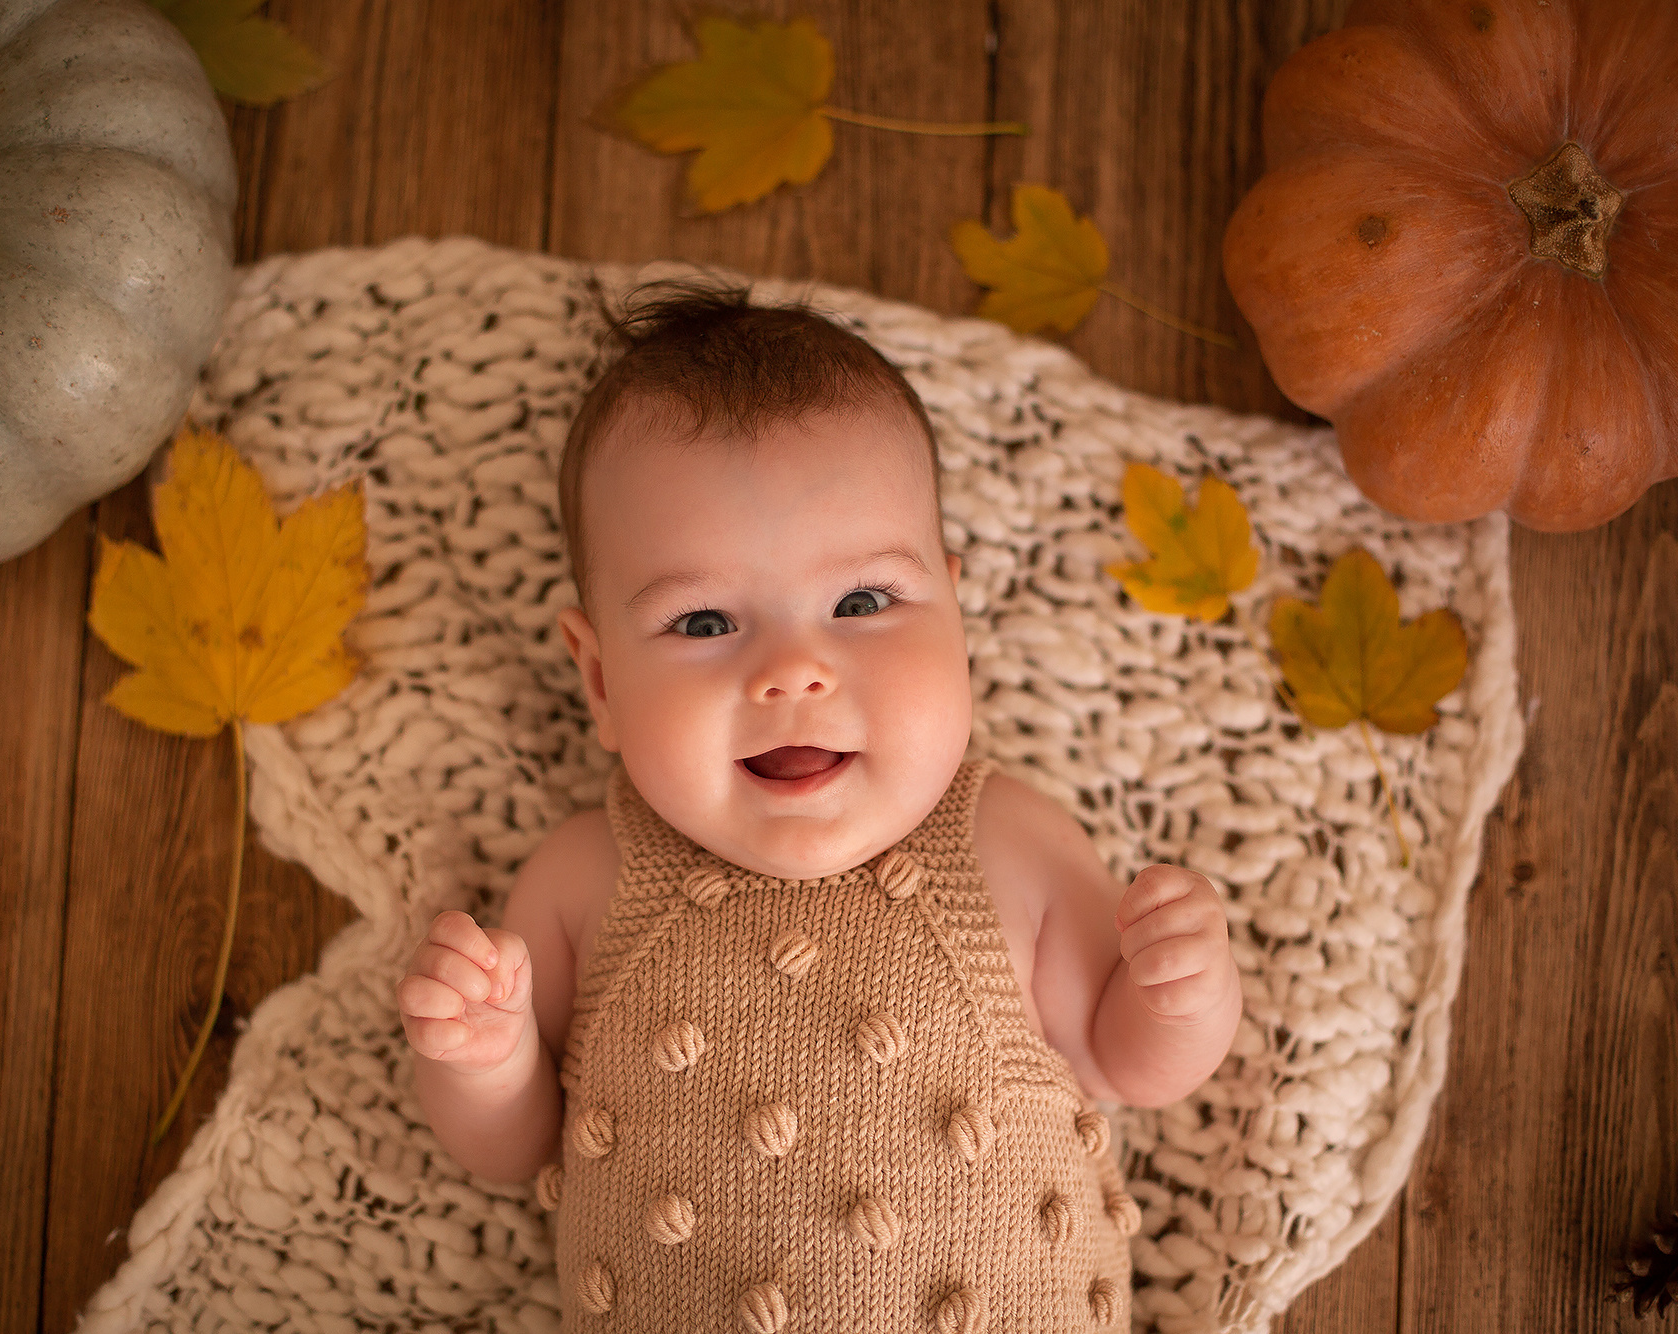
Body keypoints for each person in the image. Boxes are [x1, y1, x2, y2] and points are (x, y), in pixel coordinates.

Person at [394, 283, 1241, 1332]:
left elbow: (1121, 1061)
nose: (793, 671)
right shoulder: (584, 877)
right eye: (705, 621)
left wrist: (1179, 993)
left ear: (954, 613)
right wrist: (483, 1058)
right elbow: (514, 1146)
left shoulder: (1002, 840)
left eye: (860, 603)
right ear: (600, 679)